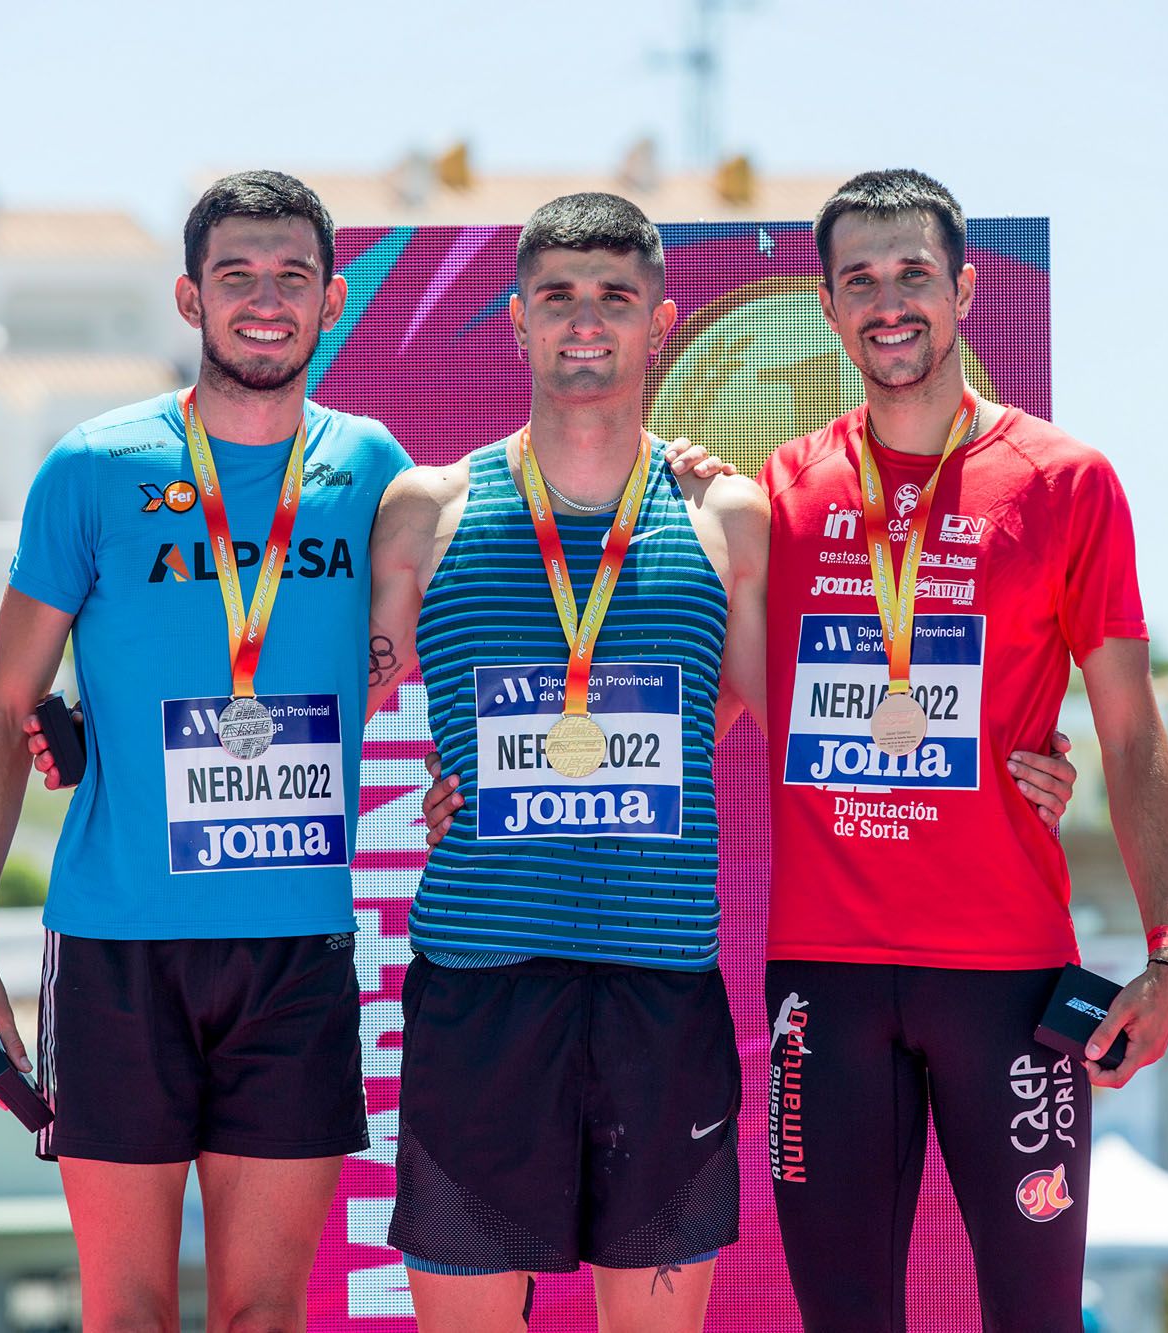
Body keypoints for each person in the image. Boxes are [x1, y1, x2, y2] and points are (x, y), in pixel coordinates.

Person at [0, 170, 413, 1333]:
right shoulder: (93, 467)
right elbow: (5, 710)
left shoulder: (379, 470)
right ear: (190, 298)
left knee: (262, 1315)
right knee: (131, 1311)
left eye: (291, 276)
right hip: (115, 949)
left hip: (294, 946)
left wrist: (685, 469)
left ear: (332, 298)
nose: (264, 299)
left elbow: (527, 529)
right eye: (235, 275)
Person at [753, 169, 1168, 1331]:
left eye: (912, 274)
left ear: (963, 289)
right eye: (860, 280)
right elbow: (681, 680)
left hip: (1004, 975)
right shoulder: (775, 492)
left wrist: (1166, 950)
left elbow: (1132, 731)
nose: (888, 302)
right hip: (823, 978)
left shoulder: (1065, 481)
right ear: (828, 305)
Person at [364, 192, 771, 1333]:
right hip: (479, 987)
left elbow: (770, 713)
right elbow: (324, 700)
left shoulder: (725, 516)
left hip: (658, 989)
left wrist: (1016, 750)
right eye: (556, 297)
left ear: (661, 322)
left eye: (613, 297)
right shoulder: (425, 510)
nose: (583, 321)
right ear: (515, 321)